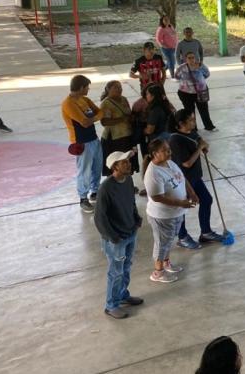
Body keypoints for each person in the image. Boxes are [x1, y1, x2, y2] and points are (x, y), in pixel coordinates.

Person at [94, 150, 143, 319]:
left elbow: (131, 202)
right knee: (116, 272)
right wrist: (112, 237)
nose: (129, 164)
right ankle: (111, 305)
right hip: (116, 239)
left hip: (130, 232)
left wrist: (136, 218)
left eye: (128, 161)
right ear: (115, 166)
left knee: (126, 267)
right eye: (124, 162)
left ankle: (122, 295)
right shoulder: (106, 187)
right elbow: (99, 217)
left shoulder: (128, 180)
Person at [169, 109, 225, 250]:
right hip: (183, 179)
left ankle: (205, 232)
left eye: (194, 119)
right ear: (181, 123)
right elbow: (186, 163)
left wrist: (203, 145)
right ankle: (182, 237)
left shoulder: (192, 132)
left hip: (195, 176)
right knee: (183, 207)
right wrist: (199, 148)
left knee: (206, 199)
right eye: (191, 120)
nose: (194, 122)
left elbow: (201, 141)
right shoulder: (175, 139)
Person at [144, 138, 198, 284]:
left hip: (177, 212)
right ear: (155, 153)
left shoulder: (169, 162)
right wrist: (181, 202)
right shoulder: (153, 173)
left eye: (169, 149)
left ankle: (166, 263)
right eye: (165, 150)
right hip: (162, 216)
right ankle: (158, 272)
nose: (170, 152)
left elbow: (182, 178)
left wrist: (192, 193)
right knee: (162, 243)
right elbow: (157, 197)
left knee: (169, 240)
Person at [62, 75, 104, 213]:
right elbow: (84, 122)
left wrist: (96, 116)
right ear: (80, 87)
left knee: (97, 167)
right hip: (81, 142)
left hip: (93, 138)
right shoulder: (68, 104)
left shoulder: (85, 100)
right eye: (87, 87)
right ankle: (83, 198)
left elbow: (97, 112)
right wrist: (98, 116)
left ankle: (95, 191)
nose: (88, 89)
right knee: (84, 171)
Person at [99, 81, 138, 177]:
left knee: (128, 162)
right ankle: (115, 186)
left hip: (128, 136)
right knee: (117, 164)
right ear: (108, 90)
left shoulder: (124, 99)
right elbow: (104, 122)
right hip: (114, 139)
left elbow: (129, 113)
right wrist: (121, 119)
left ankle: (128, 184)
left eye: (120, 87)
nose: (119, 90)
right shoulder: (106, 103)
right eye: (116, 88)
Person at [175, 52, 217, 131]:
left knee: (204, 110)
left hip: (200, 92)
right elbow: (176, 76)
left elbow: (207, 74)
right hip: (186, 94)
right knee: (190, 112)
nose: (191, 59)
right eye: (189, 58)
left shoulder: (201, 66)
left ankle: (209, 126)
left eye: (193, 57)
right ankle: (193, 128)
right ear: (185, 59)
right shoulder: (181, 68)